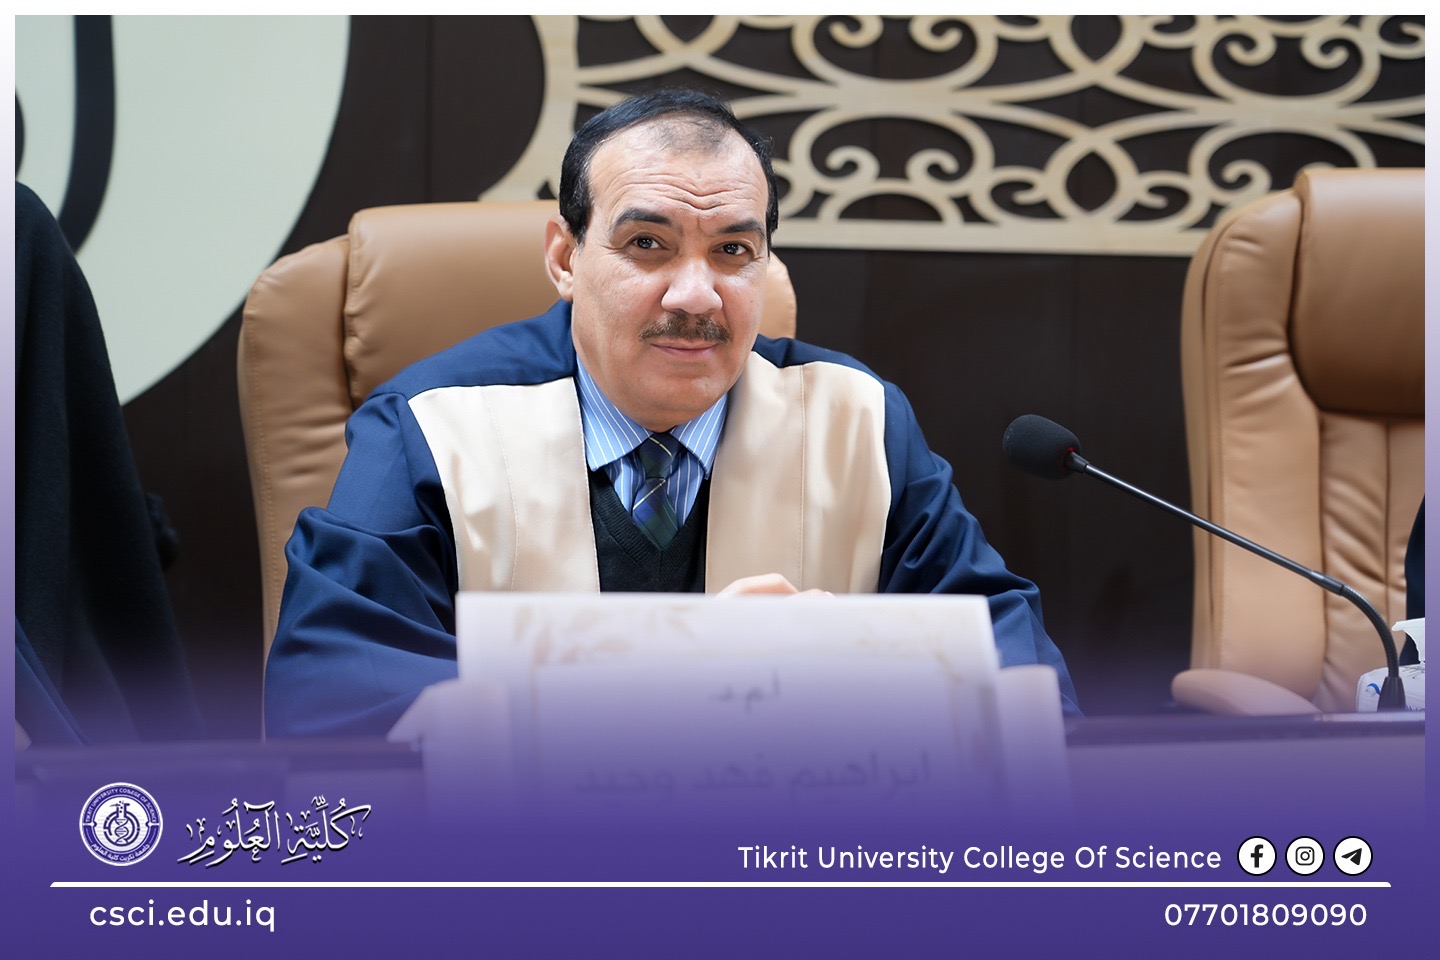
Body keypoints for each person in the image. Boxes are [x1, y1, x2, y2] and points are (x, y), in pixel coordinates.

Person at [264, 89, 1079, 737]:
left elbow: (1021, 682)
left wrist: (869, 668)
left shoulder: (856, 421)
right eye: (648, 245)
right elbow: (330, 698)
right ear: (564, 258)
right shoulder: (433, 426)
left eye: (733, 251)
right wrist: (665, 682)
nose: (696, 295)